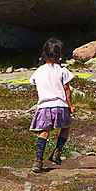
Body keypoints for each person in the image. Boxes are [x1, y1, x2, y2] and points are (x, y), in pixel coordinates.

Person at [29, 38, 75, 173]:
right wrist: (70, 105)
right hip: (60, 105)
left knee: (44, 132)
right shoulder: (62, 71)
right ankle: (57, 152)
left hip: (44, 106)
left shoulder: (38, 71)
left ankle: (38, 161)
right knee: (66, 127)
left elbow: (36, 87)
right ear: (60, 55)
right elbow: (66, 88)